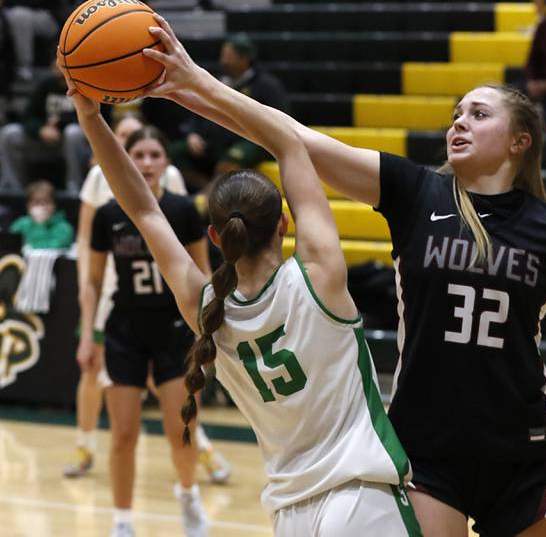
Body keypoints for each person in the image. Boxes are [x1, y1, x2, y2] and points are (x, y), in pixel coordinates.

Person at [142, 13, 546, 536]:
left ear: (521, 141)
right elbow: (290, 139)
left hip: (523, 450)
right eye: (456, 113)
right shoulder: (411, 191)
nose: (459, 121)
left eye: (479, 114)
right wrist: (195, 83)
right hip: (426, 452)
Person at [62, 27, 423, 536]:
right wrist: (198, 81)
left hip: (289, 514)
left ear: (213, 235)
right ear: (285, 223)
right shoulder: (320, 274)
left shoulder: (206, 309)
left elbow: (143, 208)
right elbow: (287, 139)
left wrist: (89, 116)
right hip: (363, 502)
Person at [64, 114, 232, 486]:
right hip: (113, 288)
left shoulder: (173, 189)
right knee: (95, 372)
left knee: (171, 388)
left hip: (164, 302)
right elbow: (86, 238)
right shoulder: (99, 182)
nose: (145, 162)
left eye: (154, 153)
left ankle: (197, 445)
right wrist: (85, 315)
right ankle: (85, 443)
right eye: (132, 148)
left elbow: (197, 264)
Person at [170, 33, 291, 192]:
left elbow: (282, 121)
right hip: (213, 140)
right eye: (223, 55)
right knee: (174, 152)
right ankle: (206, 192)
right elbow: (196, 111)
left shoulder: (267, 86)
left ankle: (209, 201)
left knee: (230, 161)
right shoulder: (216, 80)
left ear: (245, 59)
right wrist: (192, 133)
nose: (223, 61)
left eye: (229, 56)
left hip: (250, 139)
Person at [0, 55, 93, 193]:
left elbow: (88, 118)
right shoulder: (45, 85)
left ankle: (75, 189)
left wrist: (60, 124)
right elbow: (27, 117)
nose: (57, 66)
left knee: (73, 132)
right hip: (41, 140)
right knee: (10, 133)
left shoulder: (81, 87)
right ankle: (13, 189)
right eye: (55, 62)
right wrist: (40, 130)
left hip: (67, 142)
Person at [0, 0, 64, 81]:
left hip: (48, 18)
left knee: (19, 16)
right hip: (12, 14)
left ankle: (25, 66)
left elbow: (33, 2)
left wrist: (5, 2)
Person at [9, 180, 73, 249]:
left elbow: (53, 246)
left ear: (54, 205)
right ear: (28, 205)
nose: (42, 207)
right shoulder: (20, 224)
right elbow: (10, 244)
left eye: (47, 202)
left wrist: (40, 225)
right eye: (37, 202)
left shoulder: (64, 228)